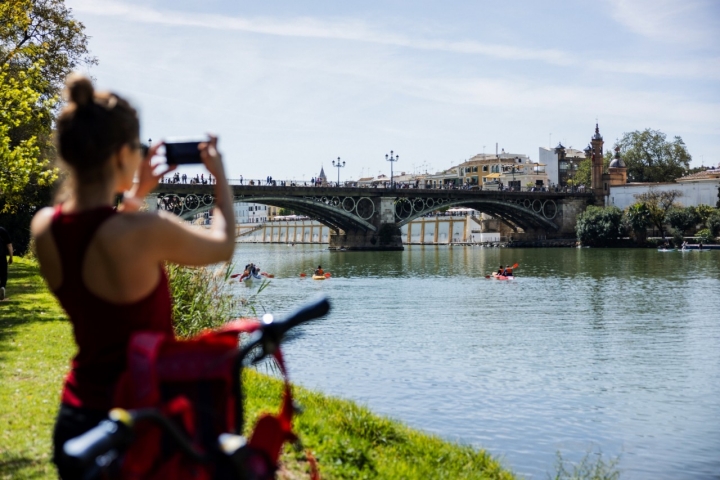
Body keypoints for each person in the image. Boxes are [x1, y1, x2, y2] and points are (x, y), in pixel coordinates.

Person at [30, 74, 235, 480]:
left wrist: (134, 196)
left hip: (76, 418)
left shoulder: (44, 228)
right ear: (120, 155)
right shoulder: (145, 231)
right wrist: (220, 180)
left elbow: (96, 240)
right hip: (139, 422)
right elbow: (222, 245)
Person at [0, 225, 12, 300]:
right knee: (3, 273)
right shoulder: (2, 230)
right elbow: (9, 245)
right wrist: (11, 256)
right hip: (1, 256)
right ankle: (2, 287)